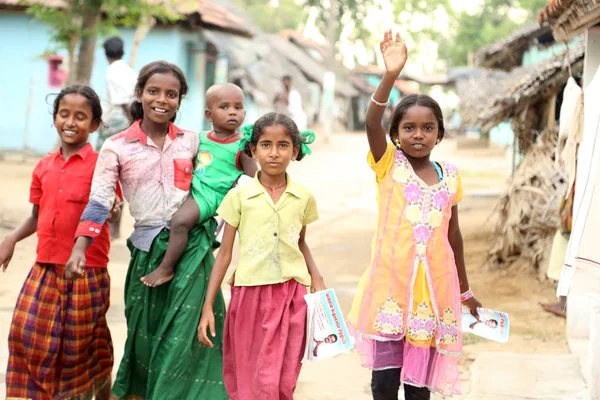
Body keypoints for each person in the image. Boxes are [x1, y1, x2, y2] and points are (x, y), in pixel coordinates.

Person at [66, 61, 228, 399]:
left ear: (180, 100)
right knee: (144, 337)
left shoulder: (193, 142)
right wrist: (80, 247)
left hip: (192, 250)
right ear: (139, 94)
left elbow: (220, 180)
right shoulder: (116, 146)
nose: (162, 100)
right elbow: (99, 201)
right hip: (146, 252)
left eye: (172, 94)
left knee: (189, 336)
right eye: (153, 91)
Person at [346, 31, 482, 400]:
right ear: (395, 135)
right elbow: (371, 122)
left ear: (439, 134)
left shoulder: (450, 177)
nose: (418, 135)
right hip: (390, 289)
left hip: (433, 292)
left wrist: (465, 291)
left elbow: (454, 238)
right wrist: (390, 75)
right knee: (385, 383)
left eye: (427, 128)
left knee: (419, 385)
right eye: (409, 127)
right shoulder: (388, 165)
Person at [1, 85, 120, 400]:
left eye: (81, 117)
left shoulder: (102, 165)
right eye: (64, 114)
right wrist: (11, 238)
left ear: (94, 125)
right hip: (45, 265)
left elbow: (110, 206)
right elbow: (36, 215)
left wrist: (115, 209)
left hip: (87, 269)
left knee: (82, 345)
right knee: (26, 333)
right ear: (55, 118)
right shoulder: (44, 166)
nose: (71, 122)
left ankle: (100, 393)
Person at [198, 112, 326, 399]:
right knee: (250, 371)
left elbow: (300, 242)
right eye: (266, 145)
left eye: (283, 145)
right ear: (253, 149)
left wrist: (316, 276)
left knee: (283, 376)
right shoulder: (239, 197)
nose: (274, 153)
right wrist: (208, 305)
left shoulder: (303, 197)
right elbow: (224, 254)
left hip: (292, 296)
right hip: (249, 296)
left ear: (295, 151)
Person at [141, 83, 257, 287]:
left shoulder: (242, 146)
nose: (232, 112)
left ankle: (166, 269)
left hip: (211, 195)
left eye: (237, 108)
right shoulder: (200, 138)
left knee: (180, 221)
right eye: (224, 107)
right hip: (193, 188)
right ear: (209, 115)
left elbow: (253, 179)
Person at [98, 36, 137, 240]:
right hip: (123, 123)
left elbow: (122, 102)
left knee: (107, 175)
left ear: (106, 53)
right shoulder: (129, 70)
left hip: (114, 125)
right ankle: (113, 228)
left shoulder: (112, 71)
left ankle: (111, 228)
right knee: (118, 177)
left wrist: (135, 124)